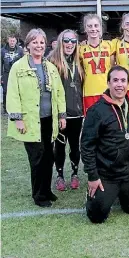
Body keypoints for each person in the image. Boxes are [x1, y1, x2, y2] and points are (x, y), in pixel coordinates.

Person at [6, 28, 66, 207]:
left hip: (49, 120)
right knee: (37, 158)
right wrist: (17, 118)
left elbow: (59, 93)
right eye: (35, 42)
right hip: (31, 121)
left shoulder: (50, 67)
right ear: (28, 45)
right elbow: (13, 94)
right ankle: (39, 195)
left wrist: (62, 116)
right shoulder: (18, 67)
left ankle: (47, 190)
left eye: (41, 42)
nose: (38, 46)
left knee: (49, 157)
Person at [81, 65, 129, 223]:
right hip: (107, 174)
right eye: (115, 80)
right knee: (97, 217)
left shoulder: (128, 103)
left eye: (123, 80)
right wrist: (93, 176)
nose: (119, 84)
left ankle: (121, 191)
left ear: (128, 84)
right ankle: (95, 195)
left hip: (128, 171)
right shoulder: (96, 111)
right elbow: (86, 146)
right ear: (108, 83)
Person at [48, 29, 84, 191]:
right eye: (66, 40)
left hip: (77, 113)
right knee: (60, 146)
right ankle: (60, 175)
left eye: (73, 41)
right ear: (60, 42)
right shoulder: (52, 61)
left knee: (75, 146)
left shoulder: (80, 62)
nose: (70, 44)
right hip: (60, 114)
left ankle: (75, 174)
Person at [79, 13, 115, 112]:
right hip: (89, 92)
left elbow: (112, 68)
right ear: (85, 29)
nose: (93, 29)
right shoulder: (80, 49)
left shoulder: (110, 45)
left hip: (107, 91)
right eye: (89, 26)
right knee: (92, 125)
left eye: (96, 25)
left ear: (101, 27)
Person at [1, 35, 24, 113]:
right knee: (5, 91)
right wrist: (1, 76)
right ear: (8, 41)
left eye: (13, 41)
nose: (12, 42)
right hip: (6, 73)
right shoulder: (2, 51)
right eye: (11, 41)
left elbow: (23, 62)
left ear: (16, 41)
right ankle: (5, 108)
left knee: (18, 90)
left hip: (17, 73)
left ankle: (17, 106)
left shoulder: (20, 50)